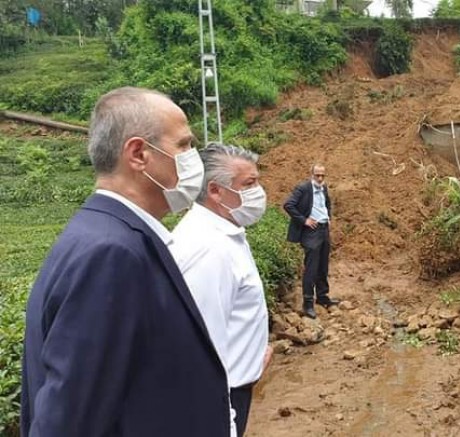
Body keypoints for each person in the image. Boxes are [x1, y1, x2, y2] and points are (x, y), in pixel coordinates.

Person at [21, 87, 231, 436]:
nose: (193, 157)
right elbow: (68, 423)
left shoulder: (104, 233)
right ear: (138, 154)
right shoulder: (111, 254)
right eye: (184, 145)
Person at [171, 143, 273, 437]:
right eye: (249, 184)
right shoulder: (208, 250)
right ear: (215, 191)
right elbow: (198, 351)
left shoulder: (225, 232)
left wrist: (254, 353)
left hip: (233, 388)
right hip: (221, 399)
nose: (258, 192)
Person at [284, 163, 340, 319]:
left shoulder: (324, 188)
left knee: (323, 265)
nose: (320, 178)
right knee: (311, 268)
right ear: (312, 174)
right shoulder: (303, 188)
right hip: (311, 232)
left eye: (322, 175)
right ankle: (308, 303)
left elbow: (327, 203)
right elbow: (288, 205)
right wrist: (304, 220)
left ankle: (322, 296)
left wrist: (328, 217)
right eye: (317, 175)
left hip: (324, 230)